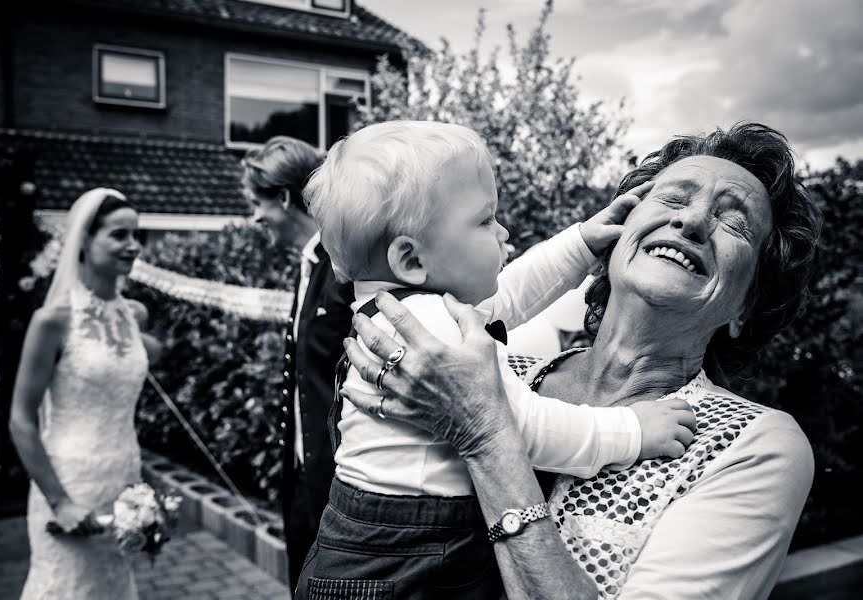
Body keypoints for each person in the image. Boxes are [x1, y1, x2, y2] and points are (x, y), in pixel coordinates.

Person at [341, 122, 821, 599]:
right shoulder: (505, 358)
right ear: (619, 237)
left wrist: (483, 433)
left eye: (734, 222)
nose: (692, 222)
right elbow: (510, 296)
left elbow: (512, 296)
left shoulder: (754, 448)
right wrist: (630, 431)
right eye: (673, 199)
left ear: (746, 306)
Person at [297, 121, 696, 599]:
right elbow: (518, 430)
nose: (503, 230)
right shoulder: (432, 328)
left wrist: (581, 243)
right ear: (410, 259)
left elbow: (509, 292)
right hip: (409, 561)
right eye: (485, 220)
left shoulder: (412, 309)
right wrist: (633, 431)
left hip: (362, 548)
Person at [9, 188, 158, 599]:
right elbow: (20, 418)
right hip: (69, 485)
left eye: (136, 235)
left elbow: (136, 362)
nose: (133, 245)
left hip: (124, 481)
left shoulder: (135, 315)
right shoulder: (51, 321)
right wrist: (60, 502)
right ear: (84, 241)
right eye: (119, 234)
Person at [241, 137, 355, 593]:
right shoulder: (309, 263)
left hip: (338, 487)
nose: (255, 217)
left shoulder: (341, 263)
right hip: (304, 479)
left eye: (257, 203)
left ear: (285, 199)